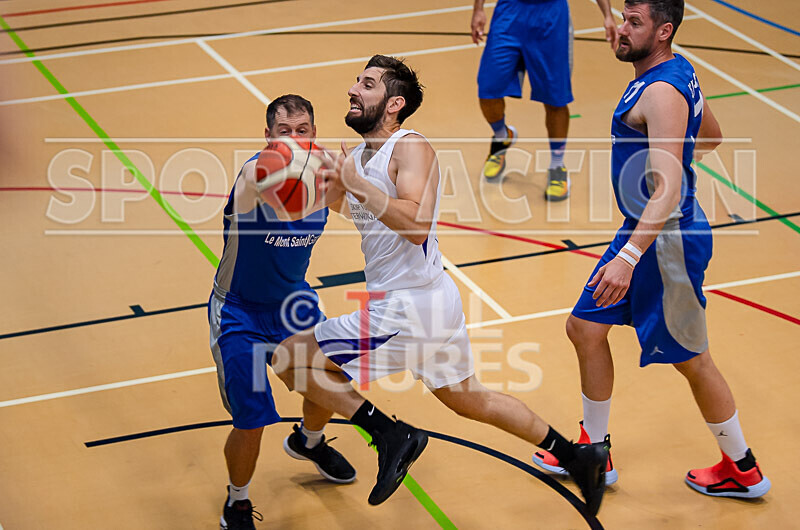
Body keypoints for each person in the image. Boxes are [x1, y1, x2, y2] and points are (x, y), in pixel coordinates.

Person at [271, 55, 609, 514]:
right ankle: (577, 456)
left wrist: (354, 182)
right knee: (471, 400)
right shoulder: (361, 157)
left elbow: (415, 222)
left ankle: (391, 436)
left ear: (394, 104)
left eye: (366, 84)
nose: (353, 89)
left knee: (290, 357)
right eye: (356, 80)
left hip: (406, 311)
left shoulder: (411, 148)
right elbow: (350, 209)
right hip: (431, 304)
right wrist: (315, 172)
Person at [531, 0, 771, 499]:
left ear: (663, 31)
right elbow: (711, 135)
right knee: (585, 328)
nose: (621, 27)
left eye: (634, 22)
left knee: (693, 358)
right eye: (622, 16)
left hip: (665, 243)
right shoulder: (675, 72)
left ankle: (742, 467)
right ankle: (594, 451)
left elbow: (668, 186)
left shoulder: (661, 90)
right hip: (645, 230)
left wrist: (630, 254)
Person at [209, 94, 356, 530]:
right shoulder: (255, 175)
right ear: (268, 137)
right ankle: (238, 501)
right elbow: (284, 198)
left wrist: (353, 179)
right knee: (252, 418)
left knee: (333, 378)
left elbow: (358, 211)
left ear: (315, 133)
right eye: (284, 132)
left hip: (294, 303)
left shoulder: (324, 175)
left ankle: (308, 442)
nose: (293, 140)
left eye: (303, 131)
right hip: (239, 313)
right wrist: (332, 175)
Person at [471, 0, 618, 200]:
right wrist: (478, 9)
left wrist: (607, 14)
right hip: (509, 12)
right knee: (488, 89)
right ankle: (502, 136)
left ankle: (557, 166)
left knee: (555, 99)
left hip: (550, 16)